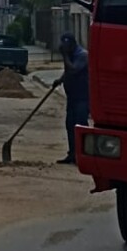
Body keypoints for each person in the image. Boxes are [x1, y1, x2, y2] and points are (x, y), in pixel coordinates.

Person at [52, 32, 90, 165]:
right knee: (70, 125)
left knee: (80, 125)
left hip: (82, 97)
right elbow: (68, 71)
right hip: (72, 97)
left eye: (66, 44)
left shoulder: (82, 55)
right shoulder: (72, 55)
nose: (64, 47)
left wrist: (64, 56)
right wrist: (60, 80)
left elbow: (73, 69)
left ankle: (83, 155)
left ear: (72, 44)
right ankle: (72, 154)